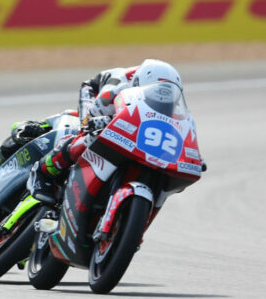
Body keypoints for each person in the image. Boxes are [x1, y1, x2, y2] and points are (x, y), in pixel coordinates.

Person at [30, 59, 186, 201]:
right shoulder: (114, 91)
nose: (161, 103)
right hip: (95, 97)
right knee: (89, 134)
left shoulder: (173, 106)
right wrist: (97, 122)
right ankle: (43, 171)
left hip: (131, 108)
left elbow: (180, 131)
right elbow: (91, 121)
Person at [0, 110, 79, 203]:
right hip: (50, 159)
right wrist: (27, 128)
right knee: (20, 141)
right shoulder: (73, 117)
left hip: (75, 177)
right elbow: (20, 126)